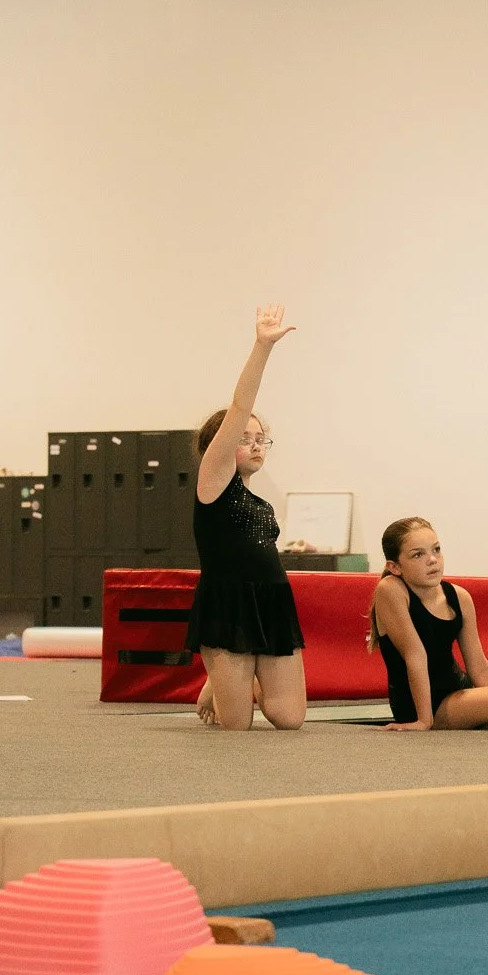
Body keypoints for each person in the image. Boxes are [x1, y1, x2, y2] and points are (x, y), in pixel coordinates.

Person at [187, 305, 306, 731]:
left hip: (272, 602)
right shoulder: (213, 482)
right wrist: (262, 346)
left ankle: (229, 681)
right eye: (245, 439)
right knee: (235, 727)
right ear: (219, 446)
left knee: (288, 717)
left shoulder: (260, 502)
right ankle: (222, 680)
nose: (256, 446)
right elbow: (240, 405)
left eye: (261, 440)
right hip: (229, 603)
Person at [368, 517, 488, 731]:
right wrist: (424, 721)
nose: (432, 560)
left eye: (436, 549)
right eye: (418, 554)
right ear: (395, 567)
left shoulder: (459, 597)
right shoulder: (390, 590)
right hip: (422, 705)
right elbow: (415, 654)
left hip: (459, 694)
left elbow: (478, 665)